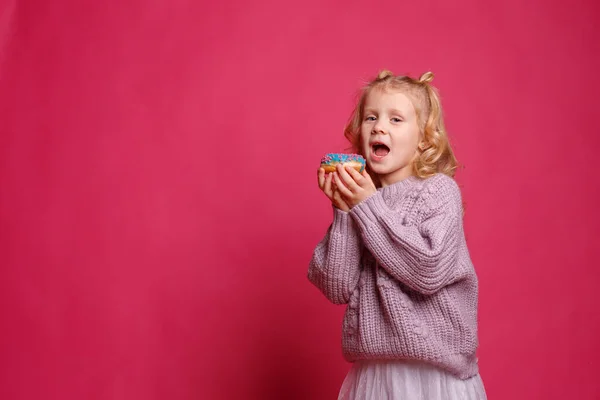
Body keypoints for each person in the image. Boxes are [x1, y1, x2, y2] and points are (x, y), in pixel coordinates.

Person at [308, 70, 487, 399]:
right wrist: (346, 210)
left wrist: (366, 205)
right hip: (373, 375)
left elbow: (427, 270)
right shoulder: (363, 200)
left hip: (434, 377)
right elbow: (337, 286)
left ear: (423, 138)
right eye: (371, 118)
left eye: (396, 119)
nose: (379, 127)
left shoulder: (438, 192)